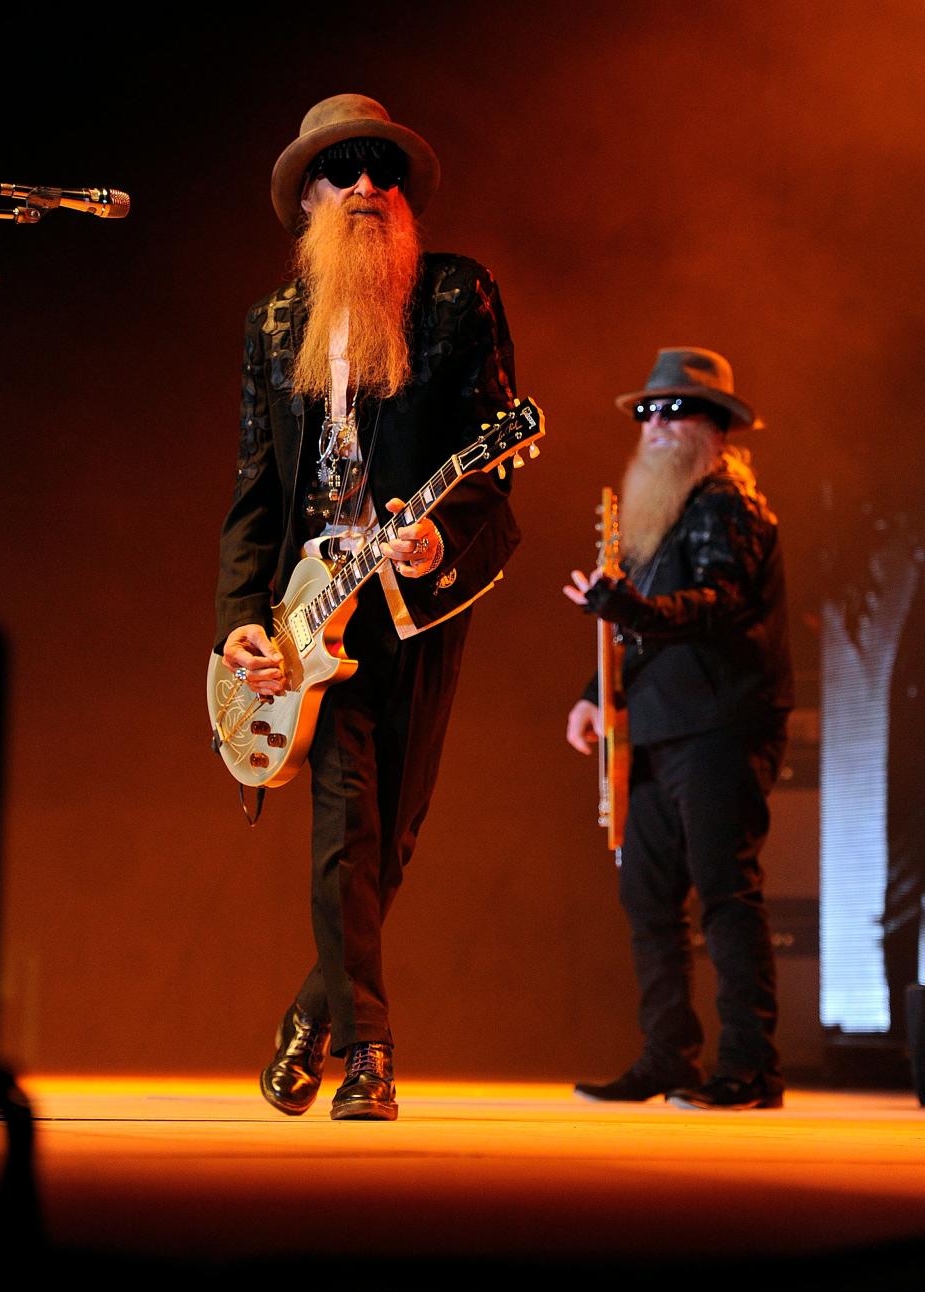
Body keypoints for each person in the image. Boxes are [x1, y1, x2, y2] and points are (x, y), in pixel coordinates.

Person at [214, 94, 520, 1121]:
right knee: (344, 823)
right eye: (340, 169)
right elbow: (257, 491)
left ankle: (311, 1013)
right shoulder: (273, 326)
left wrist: (440, 532)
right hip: (313, 610)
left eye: (379, 168)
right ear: (306, 196)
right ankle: (370, 1051)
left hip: (417, 604)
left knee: (393, 840)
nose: (364, 187)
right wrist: (239, 620)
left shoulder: (454, 296)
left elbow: (492, 454)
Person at [564, 348, 793, 1110]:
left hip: (723, 723)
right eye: (647, 412)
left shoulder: (731, 504)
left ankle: (750, 1067)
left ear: (716, 427)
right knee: (649, 898)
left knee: (726, 890)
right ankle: (669, 1058)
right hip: (660, 727)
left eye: (675, 410)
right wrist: (599, 693)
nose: (656, 424)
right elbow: (638, 629)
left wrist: (622, 608)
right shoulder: (664, 516)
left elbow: (713, 605)